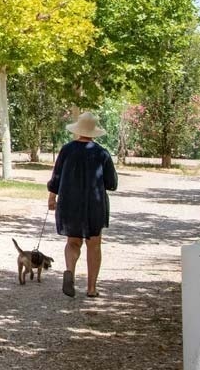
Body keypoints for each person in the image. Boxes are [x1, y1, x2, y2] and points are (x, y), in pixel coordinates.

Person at [47, 112, 118, 298]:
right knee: (93, 245)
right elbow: (112, 183)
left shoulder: (66, 150)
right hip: (94, 204)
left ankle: (70, 271)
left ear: (78, 130)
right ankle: (92, 288)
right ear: (94, 132)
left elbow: (56, 177)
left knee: (73, 242)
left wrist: (51, 198)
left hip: (69, 202)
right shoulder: (102, 153)